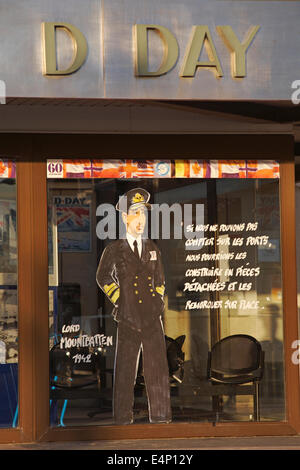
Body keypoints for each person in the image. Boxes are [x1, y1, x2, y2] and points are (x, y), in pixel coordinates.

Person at [96, 188, 171, 425]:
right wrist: (119, 299)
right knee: (125, 372)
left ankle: (160, 419)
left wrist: (158, 302)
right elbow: (103, 277)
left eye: (143, 214)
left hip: (151, 318)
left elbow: (160, 280)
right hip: (128, 318)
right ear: (125, 217)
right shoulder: (114, 250)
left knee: (157, 371)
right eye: (135, 214)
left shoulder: (152, 249)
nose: (140, 220)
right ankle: (122, 420)